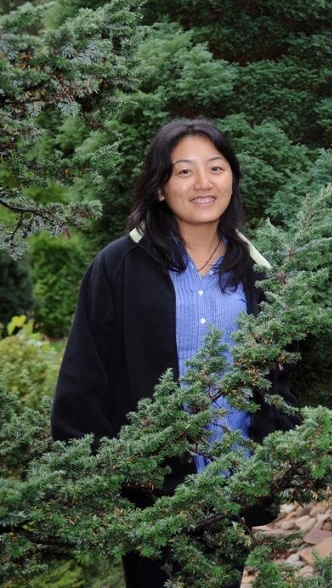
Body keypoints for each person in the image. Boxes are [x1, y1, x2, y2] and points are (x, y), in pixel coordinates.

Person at [51, 118, 299, 588]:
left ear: (232, 179)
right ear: (160, 188)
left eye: (216, 168)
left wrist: (274, 466)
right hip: (152, 495)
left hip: (232, 486)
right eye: (184, 171)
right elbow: (85, 379)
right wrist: (100, 483)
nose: (203, 183)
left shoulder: (256, 271)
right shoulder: (119, 266)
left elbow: (274, 381)